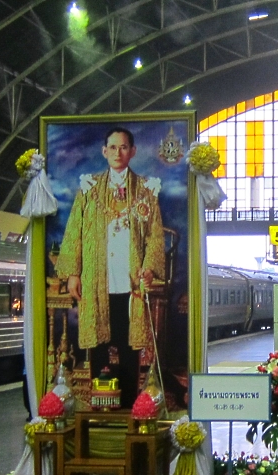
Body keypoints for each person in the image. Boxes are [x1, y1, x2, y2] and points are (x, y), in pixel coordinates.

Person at [54, 127, 166, 409]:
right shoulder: (89, 188)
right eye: (113, 148)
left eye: (124, 147)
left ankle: (129, 405)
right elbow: (74, 231)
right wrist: (74, 274)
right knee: (99, 345)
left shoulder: (146, 190)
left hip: (130, 283)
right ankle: (100, 405)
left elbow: (154, 234)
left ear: (133, 151)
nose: (118, 153)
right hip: (96, 280)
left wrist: (150, 267)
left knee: (129, 346)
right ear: (104, 151)